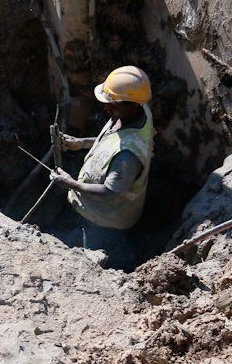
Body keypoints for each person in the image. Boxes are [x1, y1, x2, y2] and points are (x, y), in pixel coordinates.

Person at [48, 65, 154, 265]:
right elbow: (112, 139)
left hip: (106, 220)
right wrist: (80, 143)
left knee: (90, 257)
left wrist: (70, 183)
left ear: (132, 105)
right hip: (98, 210)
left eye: (113, 104)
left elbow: (108, 192)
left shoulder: (128, 156)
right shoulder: (134, 112)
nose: (107, 108)